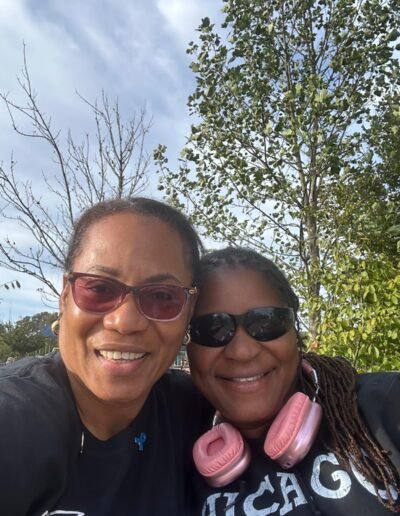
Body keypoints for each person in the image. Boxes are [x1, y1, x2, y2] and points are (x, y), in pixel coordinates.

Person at [0, 197, 211, 516]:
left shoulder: (195, 410)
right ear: (65, 295)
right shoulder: (14, 421)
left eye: (162, 296)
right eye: (99, 289)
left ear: (189, 311)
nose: (125, 322)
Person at [187, 247, 400, 515]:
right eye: (212, 328)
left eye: (266, 322)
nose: (242, 352)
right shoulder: (172, 445)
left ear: (294, 333)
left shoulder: (385, 404)